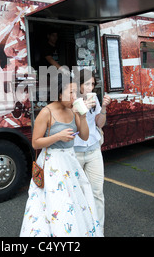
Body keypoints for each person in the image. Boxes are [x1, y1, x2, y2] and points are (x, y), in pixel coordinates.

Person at [20, 74, 103, 237]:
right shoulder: (46, 112)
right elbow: (36, 143)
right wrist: (58, 136)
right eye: (70, 92)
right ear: (59, 93)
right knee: (57, 203)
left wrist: (83, 115)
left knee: (75, 201)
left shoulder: (73, 110)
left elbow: (85, 136)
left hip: (70, 162)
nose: (75, 97)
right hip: (52, 163)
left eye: (76, 93)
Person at [73, 69, 112, 233]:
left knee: (97, 192)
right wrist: (81, 108)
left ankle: (98, 229)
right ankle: (79, 227)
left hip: (94, 149)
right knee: (77, 193)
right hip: (75, 152)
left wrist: (103, 107)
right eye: (87, 84)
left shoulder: (94, 98)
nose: (90, 88)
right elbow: (69, 126)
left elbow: (100, 123)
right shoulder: (70, 99)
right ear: (78, 84)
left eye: (93, 84)